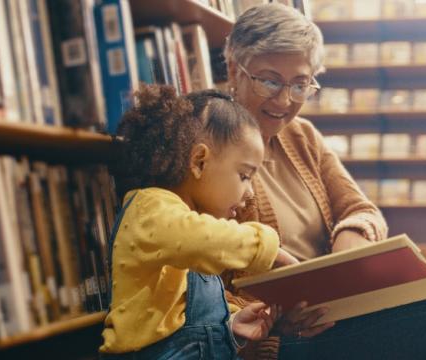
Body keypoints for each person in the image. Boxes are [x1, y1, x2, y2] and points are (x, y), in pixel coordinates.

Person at [222, 3, 426, 359]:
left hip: (340, 311)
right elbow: (207, 273)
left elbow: (360, 208)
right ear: (235, 69)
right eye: (269, 81)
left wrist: (342, 264)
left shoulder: (301, 136)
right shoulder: (213, 145)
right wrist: (274, 319)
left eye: (300, 84)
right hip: (280, 341)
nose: (284, 100)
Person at [99, 85, 297, 359]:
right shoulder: (150, 209)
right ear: (199, 162)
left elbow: (177, 319)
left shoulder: (188, 226)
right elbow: (208, 240)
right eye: (244, 175)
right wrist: (268, 247)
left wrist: (229, 326)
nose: (250, 194)